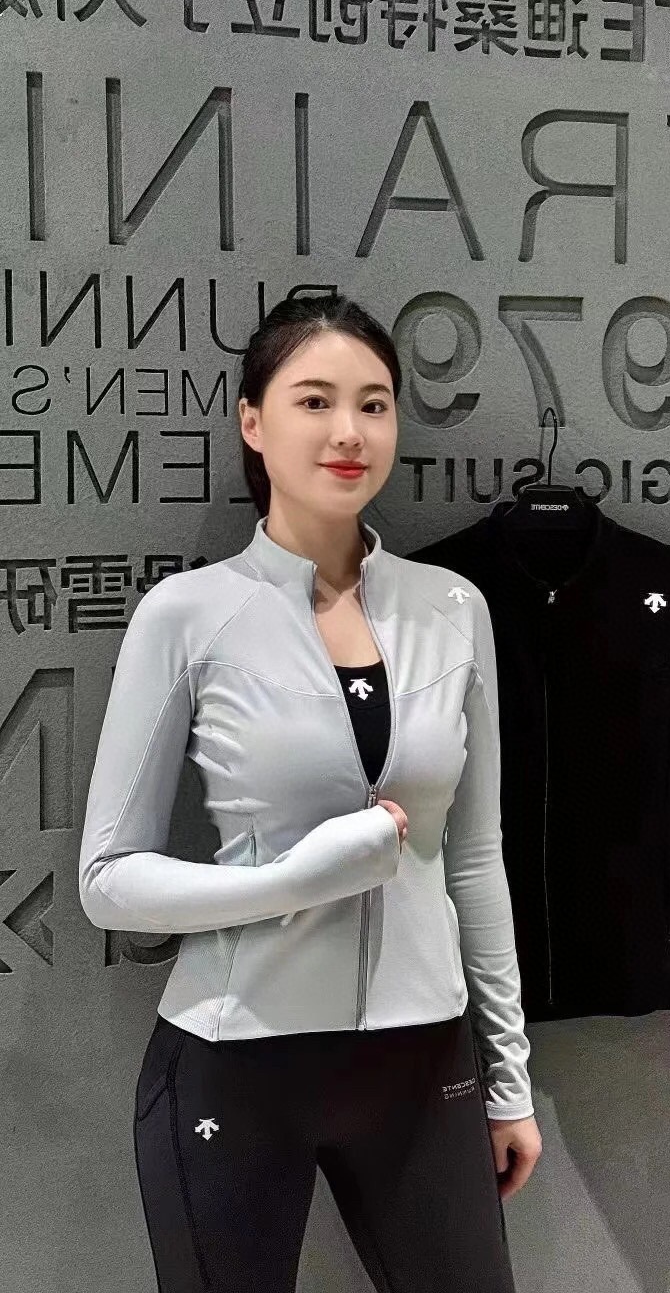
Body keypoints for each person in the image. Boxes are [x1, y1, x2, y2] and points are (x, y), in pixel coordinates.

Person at [78, 293, 542, 1292]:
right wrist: (296, 881)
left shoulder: (453, 608)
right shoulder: (188, 615)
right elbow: (107, 880)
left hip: (424, 1064)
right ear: (254, 423)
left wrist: (509, 1079)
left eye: (374, 404)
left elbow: (473, 861)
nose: (349, 432)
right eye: (315, 400)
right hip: (235, 1059)